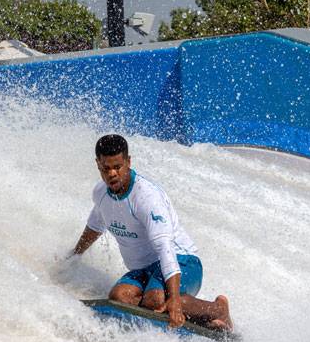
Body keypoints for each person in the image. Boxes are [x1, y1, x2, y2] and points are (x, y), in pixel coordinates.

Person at [71, 134, 233, 331]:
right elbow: (95, 226)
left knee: (155, 300)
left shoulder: (147, 198)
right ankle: (184, 312)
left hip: (182, 260)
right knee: (119, 297)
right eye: (106, 168)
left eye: (117, 167)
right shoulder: (101, 194)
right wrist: (73, 257)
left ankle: (217, 310)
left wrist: (173, 299)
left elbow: (165, 249)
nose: (112, 174)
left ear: (128, 162)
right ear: (98, 164)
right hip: (145, 270)